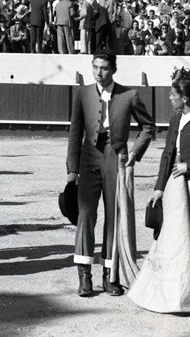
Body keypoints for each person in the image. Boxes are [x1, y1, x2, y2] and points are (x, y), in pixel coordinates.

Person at [130, 76, 190, 313]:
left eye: (173, 95)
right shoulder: (175, 120)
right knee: (172, 237)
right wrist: (158, 188)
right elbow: (167, 156)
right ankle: (174, 285)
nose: (170, 98)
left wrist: (189, 167)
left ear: (184, 98)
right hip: (173, 185)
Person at [66, 52, 156, 297]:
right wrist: (71, 172)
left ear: (113, 69)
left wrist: (134, 153)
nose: (99, 72)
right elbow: (75, 133)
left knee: (113, 217)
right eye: (95, 67)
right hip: (88, 156)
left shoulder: (129, 94)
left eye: (104, 68)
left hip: (115, 156)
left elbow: (149, 127)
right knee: (85, 213)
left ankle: (109, 275)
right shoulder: (83, 93)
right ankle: (84, 275)